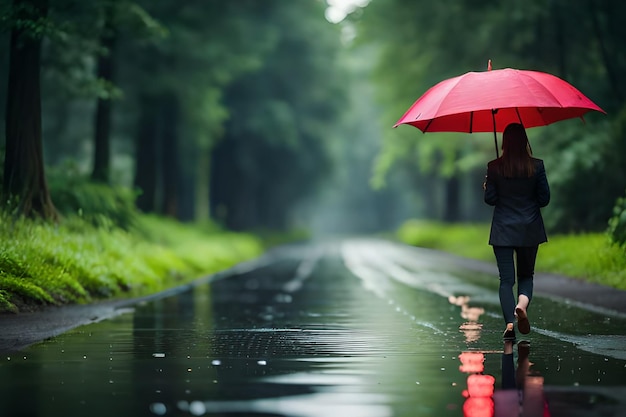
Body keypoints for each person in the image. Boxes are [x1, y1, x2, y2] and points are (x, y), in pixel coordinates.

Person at [483, 123, 550, 340]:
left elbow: (490, 200)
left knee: (506, 280)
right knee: (526, 276)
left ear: (504, 143)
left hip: (503, 230)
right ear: (525, 141)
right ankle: (521, 305)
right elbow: (544, 199)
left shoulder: (494, 167)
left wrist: (489, 185)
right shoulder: (537, 166)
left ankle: (510, 324)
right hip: (529, 228)